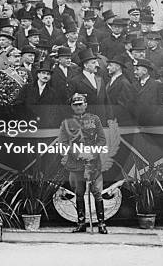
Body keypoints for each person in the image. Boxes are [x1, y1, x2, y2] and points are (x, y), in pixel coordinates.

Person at [57, 93, 108, 234]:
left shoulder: (95, 119)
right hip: (76, 164)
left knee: (97, 193)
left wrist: (91, 153)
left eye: (81, 104)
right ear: (72, 106)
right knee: (79, 193)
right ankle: (81, 223)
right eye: (75, 104)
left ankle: (102, 224)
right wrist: (79, 154)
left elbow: (102, 140)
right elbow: (63, 143)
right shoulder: (66, 123)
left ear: (86, 104)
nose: (78, 107)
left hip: (93, 163)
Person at [68, 48, 109, 122]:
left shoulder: (100, 79)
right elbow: (69, 103)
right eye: (93, 63)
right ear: (86, 65)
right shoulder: (75, 81)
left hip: (101, 121)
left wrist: (110, 120)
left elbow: (106, 102)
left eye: (96, 62)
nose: (97, 65)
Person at [105, 55, 136, 126]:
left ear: (118, 67)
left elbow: (124, 105)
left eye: (110, 65)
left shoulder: (124, 82)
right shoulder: (111, 80)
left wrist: (112, 117)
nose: (107, 67)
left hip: (119, 121)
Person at [132, 59, 163, 126]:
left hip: (151, 122)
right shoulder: (133, 85)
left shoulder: (156, 85)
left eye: (137, 69)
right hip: (136, 121)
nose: (135, 72)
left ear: (145, 71)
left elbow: (159, 104)